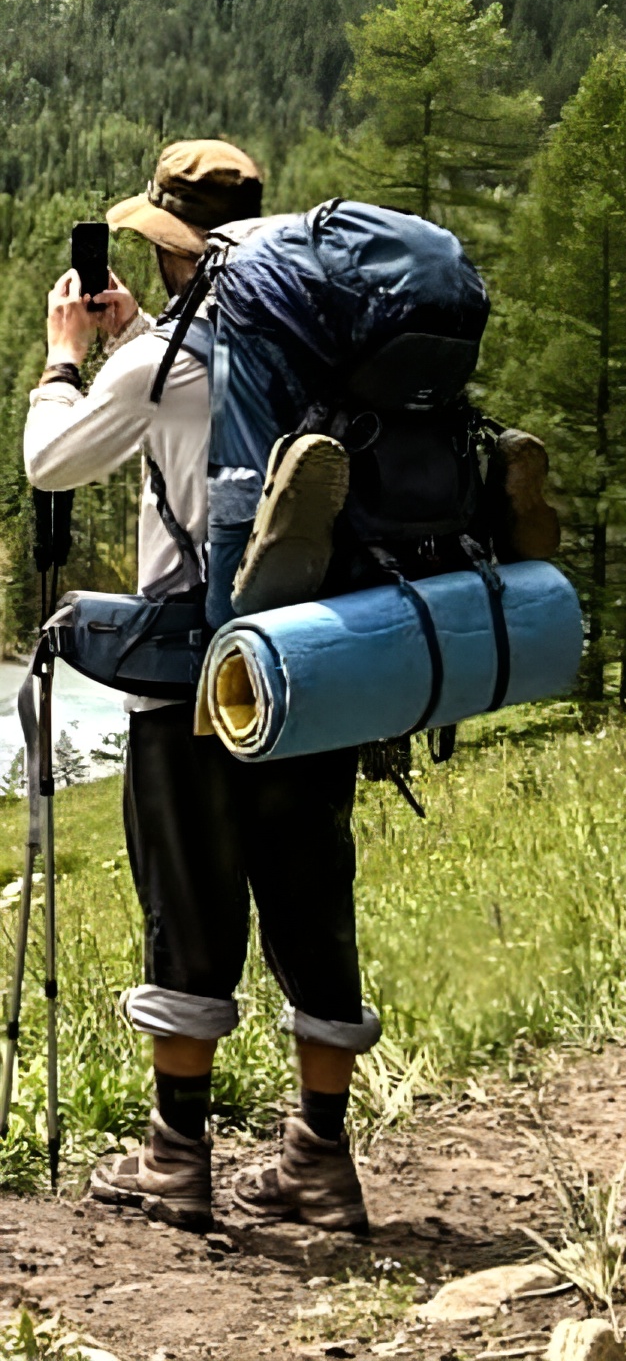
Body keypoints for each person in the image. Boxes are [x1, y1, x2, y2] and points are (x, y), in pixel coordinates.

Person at [23, 140, 379, 1235]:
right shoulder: (313, 349)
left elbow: (51, 461)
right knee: (312, 901)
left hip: (190, 678)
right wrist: (135, 339)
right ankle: (322, 1160)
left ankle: (177, 1156)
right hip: (311, 665)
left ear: (175, 247)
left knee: (190, 906)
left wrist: (62, 356)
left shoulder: (159, 360)